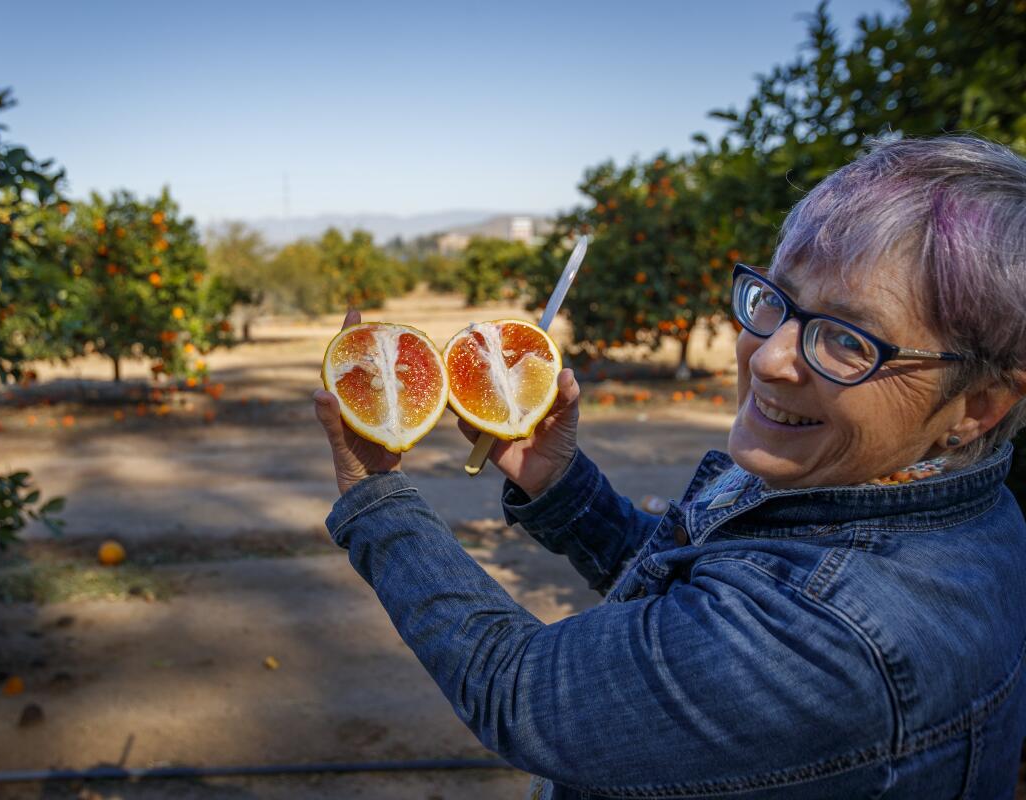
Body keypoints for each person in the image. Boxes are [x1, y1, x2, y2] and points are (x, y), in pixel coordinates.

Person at [311, 135, 1026, 799]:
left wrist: (375, 492)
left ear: (980, 403)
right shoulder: (935, 500)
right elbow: (692, 612)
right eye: (775, 301)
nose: (768, 357)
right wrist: (560, 485)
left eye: (846, 339)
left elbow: (522, 692)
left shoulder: (834, 639)